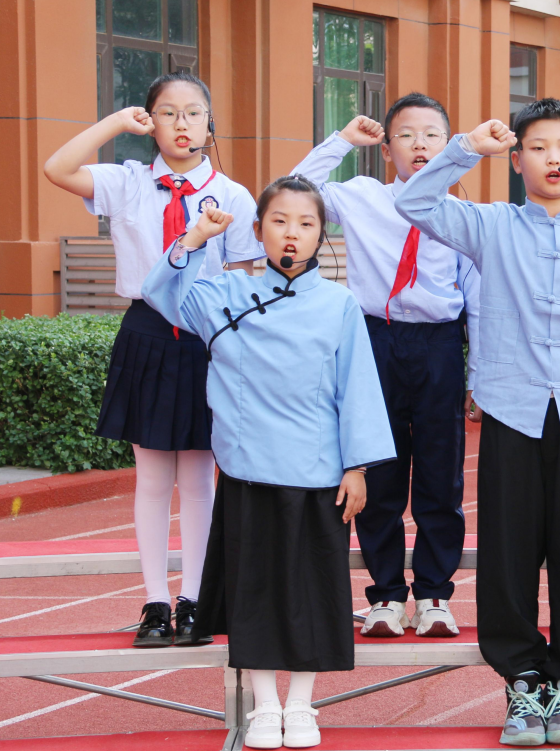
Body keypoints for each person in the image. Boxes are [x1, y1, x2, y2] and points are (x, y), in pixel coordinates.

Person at [395, 99, 560, 746]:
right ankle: (521, 682)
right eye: (538, 148)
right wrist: (463, 148)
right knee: (507, 559)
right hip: (512, 414)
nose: (553, 159)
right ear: (517, 161)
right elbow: (414, 202)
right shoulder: (491, 225)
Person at [141, 175, 394, 749]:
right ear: (258, 231)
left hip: (318, 473)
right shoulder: (222, 294)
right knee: (254, 593)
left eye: (306, 224)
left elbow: (357, 387)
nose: (291, 234)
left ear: (321, 235)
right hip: (248, 470)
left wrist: (357, 467)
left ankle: (301, 704)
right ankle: (264, 706)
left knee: (311, 593)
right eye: (279, 221)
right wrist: (196, 237)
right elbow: (160, 291)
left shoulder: (339, 304)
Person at [43, 71, 260, 647]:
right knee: (153, 477)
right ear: (150, 123)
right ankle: (155, 603)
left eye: (193, 112)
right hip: (145, 330)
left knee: (200, 477)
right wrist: (116, 122)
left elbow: (243, 279)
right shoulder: (127, 182)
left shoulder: (233, 195)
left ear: (210, 124)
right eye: (167, 112)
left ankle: (194, 600)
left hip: (206, 334)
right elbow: (56, 168)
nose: (182, 123)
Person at [290, 93, 479, 639]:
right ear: (387, 148)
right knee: (379, 472)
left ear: (450, 146)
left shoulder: (464, 216)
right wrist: (342, 141)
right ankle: (387, 596)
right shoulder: (362, 196)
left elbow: (478, 300)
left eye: (432, 135)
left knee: (441, 476)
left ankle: (435, 595)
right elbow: (295, 191)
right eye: (406, 135)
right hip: (375, 341)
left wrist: (479, 374)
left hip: (440, 344)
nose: (420, 145)